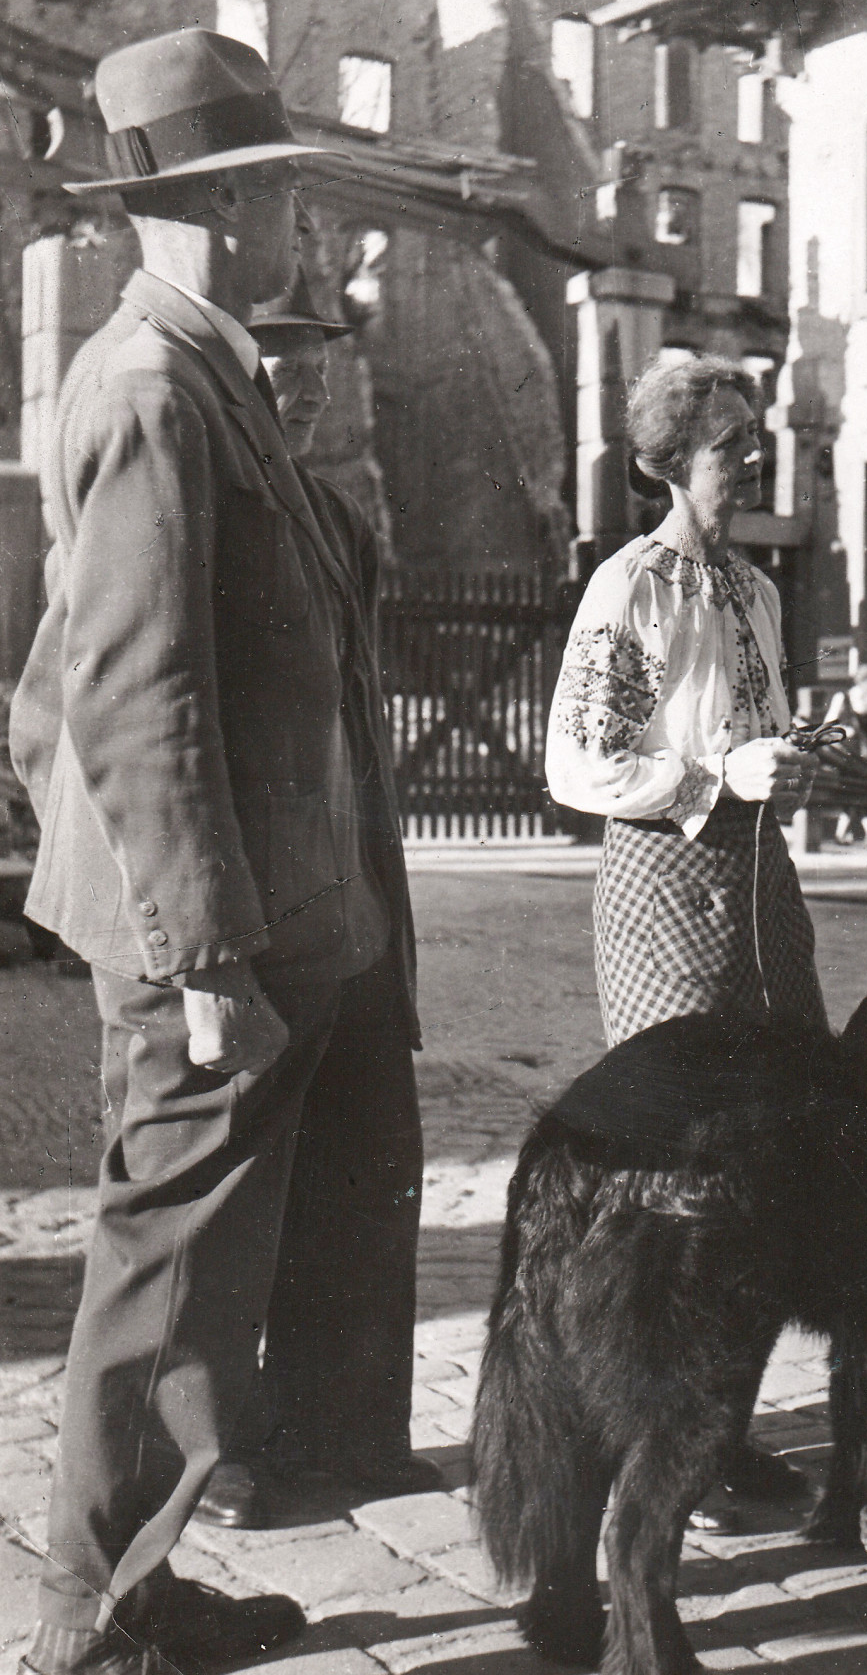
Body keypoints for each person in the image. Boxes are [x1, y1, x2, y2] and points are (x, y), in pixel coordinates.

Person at [8, 30, 380, 1675]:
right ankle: (90, 1630)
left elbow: (48, 690)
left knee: (197, 1271)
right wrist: (194, 943)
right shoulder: (158, 385)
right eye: (280, 184)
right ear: (218, 208)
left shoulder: (198, 367)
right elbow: (134, 690)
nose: (306, 211)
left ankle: (140, 1591)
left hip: (235, 916)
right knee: (164, 1270)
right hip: (206, 943)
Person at [544, 351, 823, 1525]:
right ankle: (659, 1449)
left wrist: (797, 764)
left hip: (763, 895)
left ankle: (722, 1434)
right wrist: (717, 772)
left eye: (756, 435)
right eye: (728, 443)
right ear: (667, 465)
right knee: (680, 1182)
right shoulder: (631, 588)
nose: (751, 455)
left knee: (774, 1167)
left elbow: (756, 746)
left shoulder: (754, 591)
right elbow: (575, 763)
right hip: (665, 888)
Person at [193, 267, 438, 1529]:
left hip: (356, 897)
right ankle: (225, 1448)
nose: (306, 377)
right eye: (281, 355)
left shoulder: (340, 519)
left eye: (320, 356)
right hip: (261, 904)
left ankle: (351, 1425)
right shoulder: (212, 500)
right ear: (239, 370)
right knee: (248, 1182)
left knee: (370, 1155)